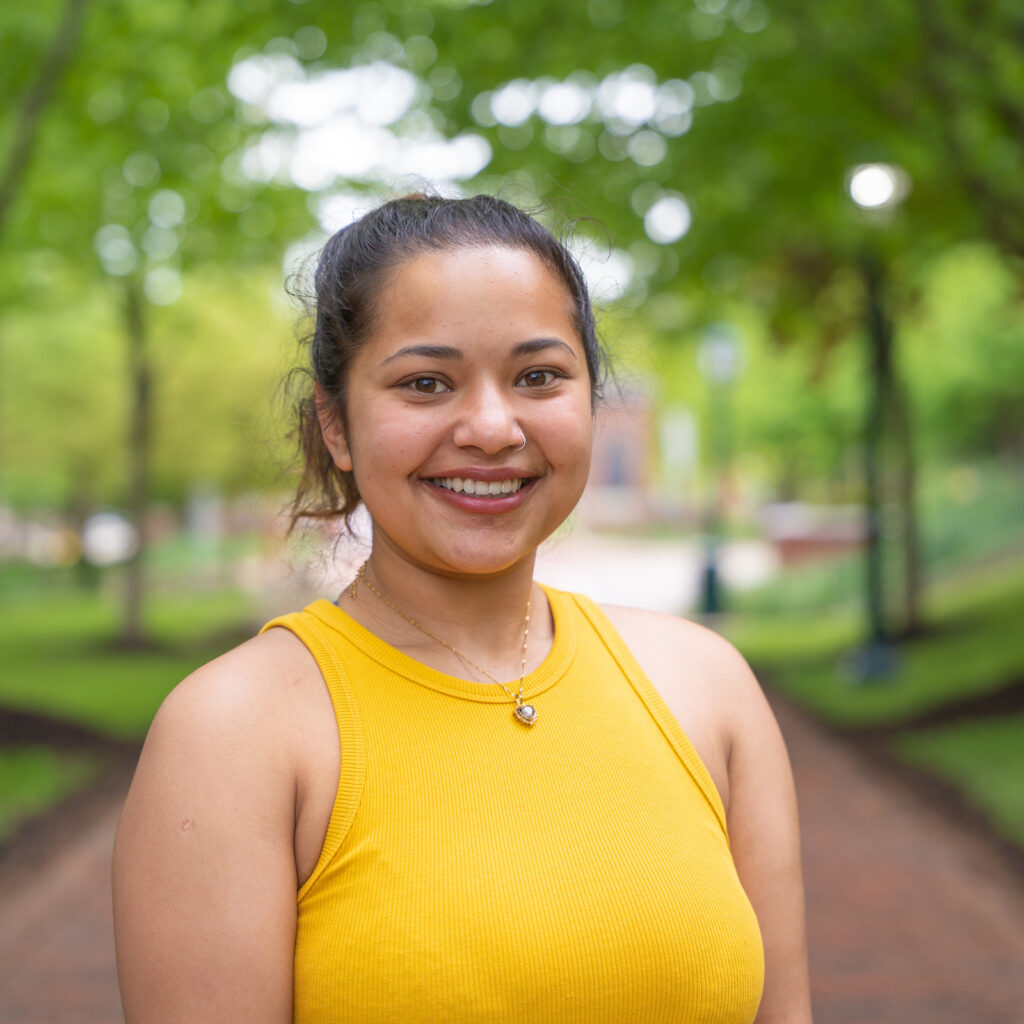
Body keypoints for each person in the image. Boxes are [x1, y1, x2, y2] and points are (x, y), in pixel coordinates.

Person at [112, 193, 812, 1023]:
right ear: (336, 428)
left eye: (538, 376)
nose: (491, 426)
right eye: (426, 382)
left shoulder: (706, 686)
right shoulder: (233, 731)